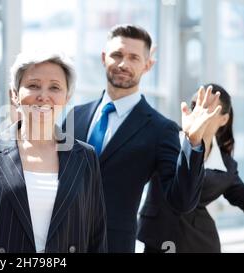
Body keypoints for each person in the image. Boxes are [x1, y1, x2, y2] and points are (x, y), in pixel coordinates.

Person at [63, 24, 222, 252]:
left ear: (148, 65)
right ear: (103, 57)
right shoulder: (74, 116)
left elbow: (182, 201)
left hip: (114, 245)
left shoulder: (160, 129)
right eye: (116, 55)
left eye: (133, 57)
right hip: (61, 243)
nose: (123, 64)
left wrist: (193, 142)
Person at [0, 51, 107, 253]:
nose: (43, 96)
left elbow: (96, 235)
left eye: (55, 87)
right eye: (33, 85)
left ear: (67, 96)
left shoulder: (85, 157)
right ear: (14, 95)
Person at [138, 84, 244, 253]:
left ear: (224, 119)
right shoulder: (168, 137)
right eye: (195, 105)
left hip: (201, 243)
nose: (199, 112)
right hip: (159, 240)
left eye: (207, 107)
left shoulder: (227, 165)